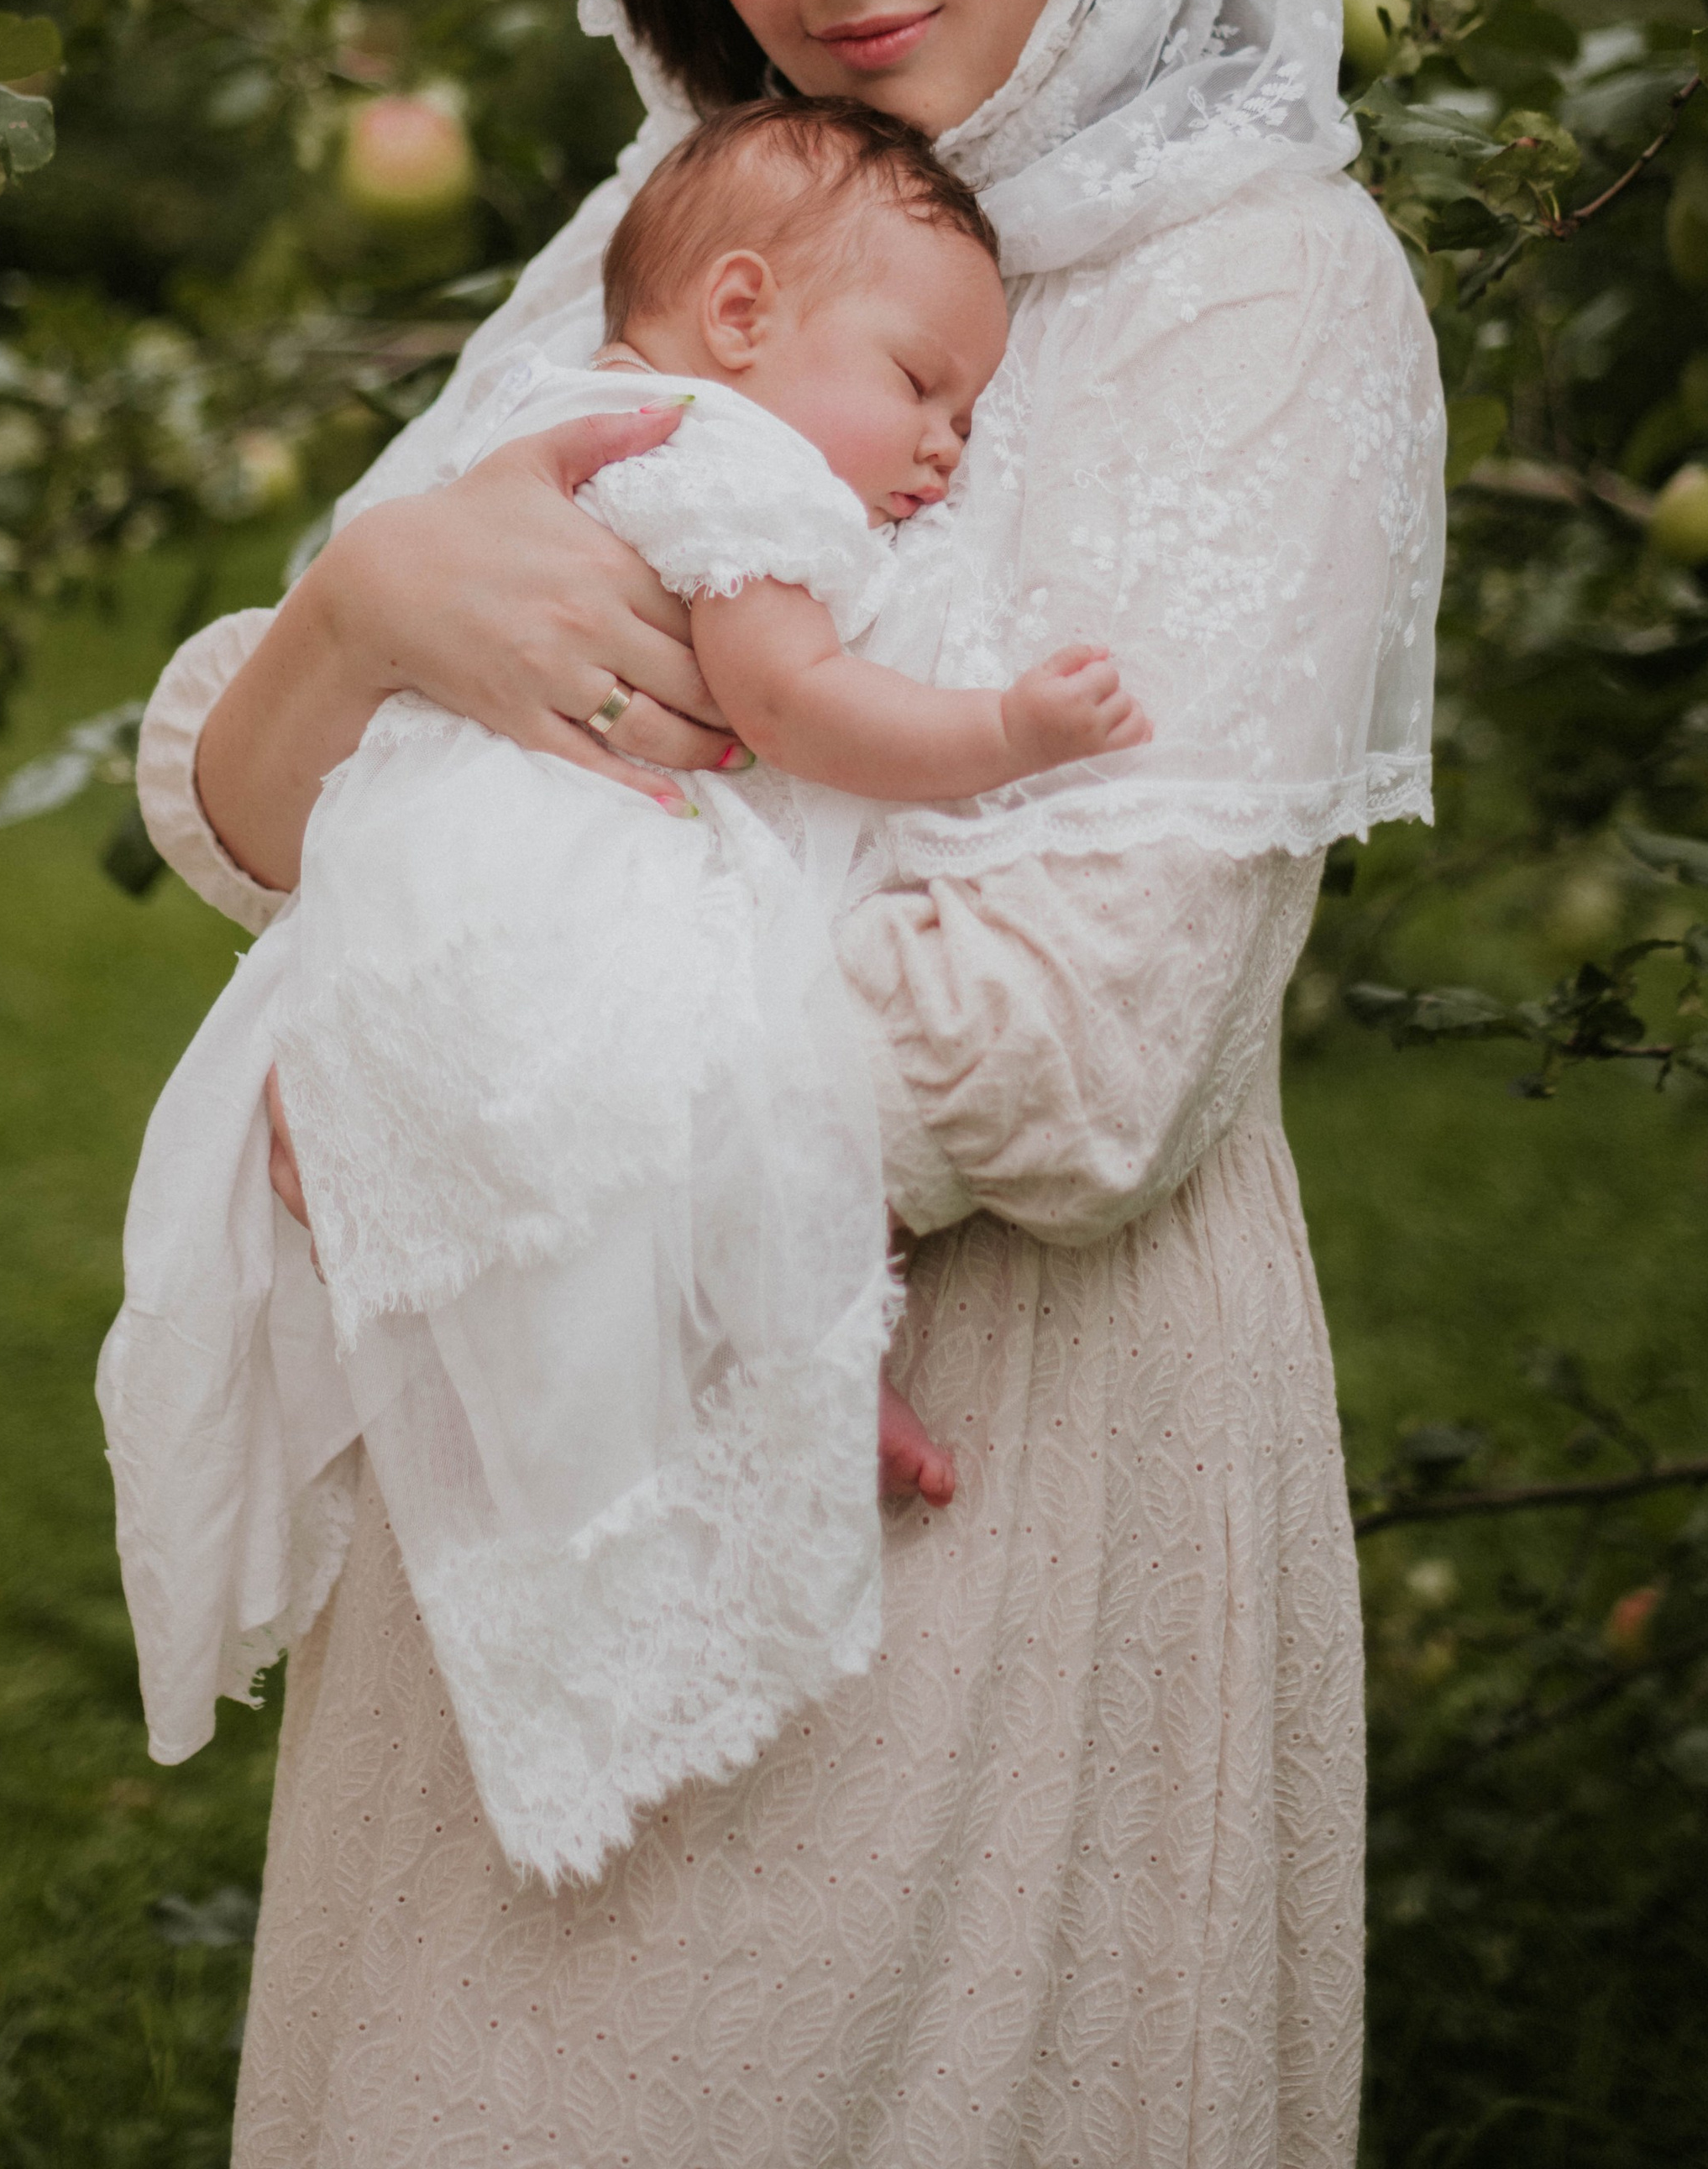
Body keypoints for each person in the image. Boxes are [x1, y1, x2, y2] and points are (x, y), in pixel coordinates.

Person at [134, 0, 1445, 2168]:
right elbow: (256, 811)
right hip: (551, 1399)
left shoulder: (1263, 289)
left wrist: (428, 1082)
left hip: (997, 1468)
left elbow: (1084, 1055)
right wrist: (377, 608)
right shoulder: (698, 228)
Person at [101, 97, 1150, 1890]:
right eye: (919, 383)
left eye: (965, 411)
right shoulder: (720, 466)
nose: (945, 444)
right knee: (697, 1141)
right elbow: (793, 699)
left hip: (438, 883)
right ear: (738, 316)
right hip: (556, 893)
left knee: (584, 1275)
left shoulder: (555, 417)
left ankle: (732, 1409)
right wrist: (1001, 735)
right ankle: (769, 1417)